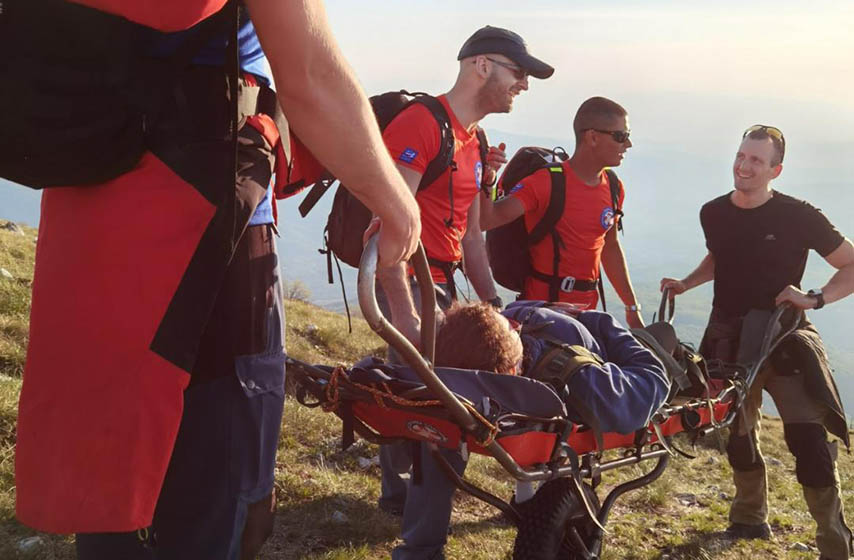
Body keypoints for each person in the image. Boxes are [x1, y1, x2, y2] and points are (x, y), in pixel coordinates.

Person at [14, 1, 420, 559]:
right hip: (212, 230)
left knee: (114, 478)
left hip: (87, 218)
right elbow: (312, 77)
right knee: (223, 499)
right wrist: (397, 205)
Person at [376, 25, 554, 517]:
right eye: (518, 72)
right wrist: (406, 316)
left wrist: (493, 303)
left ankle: (418, 502)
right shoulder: (420, 123)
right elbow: (385, 225)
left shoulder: (474, 139)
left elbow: (473, 236)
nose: (523, 85)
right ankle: (402, 503)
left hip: (444, 283)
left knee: (440, 398)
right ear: (481, 66)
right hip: (410, 281)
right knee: (414, 394)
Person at [660, 125, 854, 560]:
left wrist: (815, 298)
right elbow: (722, 256)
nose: (744, 166)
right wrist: (688, 283)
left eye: (756, 161)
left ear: (775, 170)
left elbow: (851, 264)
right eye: (741, 156)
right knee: (739, 436)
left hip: (785, 340)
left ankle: (836, 548)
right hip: (728, 342)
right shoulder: (713, 212)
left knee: (810, 443)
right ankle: (749, 519)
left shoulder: (800, 216)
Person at [393, 300, 670, 559]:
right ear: (514, 372)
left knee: (442, 433)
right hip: (570, 326)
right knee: (445, 424)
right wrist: (600, 323)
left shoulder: (579, 378)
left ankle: (419, 551)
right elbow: (656, 379)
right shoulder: (585, 383)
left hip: (549, 320)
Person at [479, 96, 644, 329]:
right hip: (541, 315)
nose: (628, 145)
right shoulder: (546, 183)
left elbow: (610, 246)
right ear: (593, 137)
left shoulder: (614, 186)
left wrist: (632, 308)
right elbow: (488, 219)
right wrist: (489, 181)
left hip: (587, 316)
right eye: (620, 137)